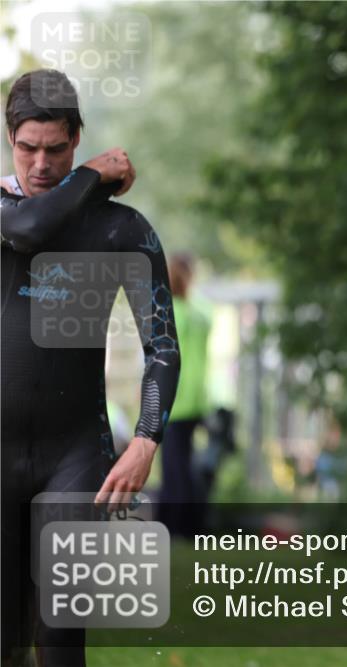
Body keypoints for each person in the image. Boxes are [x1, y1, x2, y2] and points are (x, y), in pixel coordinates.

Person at [1, 69, 180, 666]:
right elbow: (27, 228)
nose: (41, 163)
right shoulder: (4, 211)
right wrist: (94, 174)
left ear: (76, 137)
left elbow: (164, 346)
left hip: (75, 456)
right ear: (9, 141)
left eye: (56, 149)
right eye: (27, 147)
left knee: (59, 639)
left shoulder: (119, 229)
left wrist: (147, 440)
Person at [159, 253, 212, 538]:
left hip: (174, 400)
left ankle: (173, 527)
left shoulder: (171, 312)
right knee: (186, 465)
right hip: (197, 400)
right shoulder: (200, 313)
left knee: (172, 469)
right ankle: (191, 525)